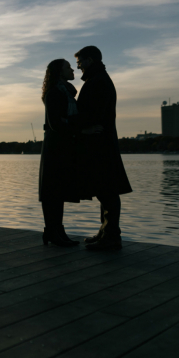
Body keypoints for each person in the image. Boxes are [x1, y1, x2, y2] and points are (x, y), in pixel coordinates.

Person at [75, 46, 132, 251]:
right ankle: (105, 232)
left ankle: (111, 236)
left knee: (106, 190)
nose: (78, 65)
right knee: (104, 189)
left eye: (80, 61)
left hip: (100, 142)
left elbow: (93, 112)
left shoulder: (98, 81)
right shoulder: (98, 79)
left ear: (90, 60)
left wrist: (83, 127)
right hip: (102, 141)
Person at [39, 59, 101, 247]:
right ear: (59, 72)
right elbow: (55, 123)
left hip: (64, 146)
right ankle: (52, 231)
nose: (72, 69)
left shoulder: (66, 93)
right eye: (68, 67)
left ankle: (57, 231)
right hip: (55, 148)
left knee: (58, 190)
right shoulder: (54, 93)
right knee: (52, 191)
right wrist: (83, 131)